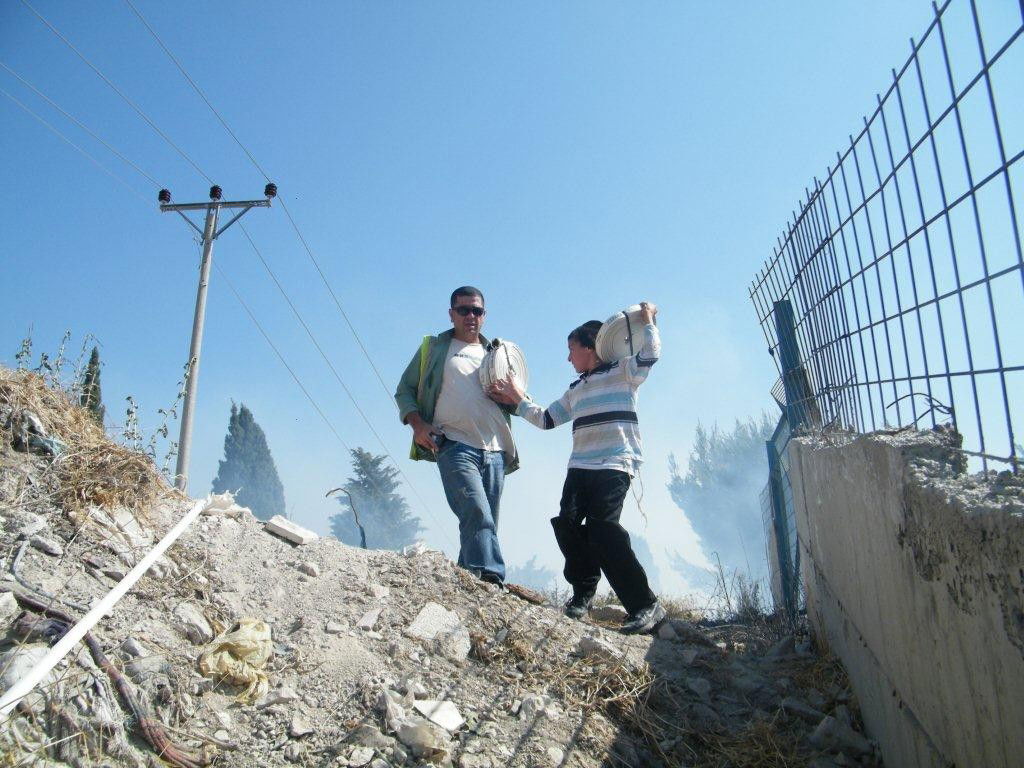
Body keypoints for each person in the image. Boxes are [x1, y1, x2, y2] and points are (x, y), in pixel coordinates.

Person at [489, 302, 665, 633]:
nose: (568, 358)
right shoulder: (576, 389)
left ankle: (645, 605)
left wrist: (648, 320)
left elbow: (650, 353)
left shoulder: (624, 371)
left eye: (571, 350)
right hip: (580, 466)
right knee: (567, 524)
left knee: (603, 530)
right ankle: (583, 596)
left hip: (615, 463)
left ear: (590, 348)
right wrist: (517, 398)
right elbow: (546, 419)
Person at [395, 286, 518, 585]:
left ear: (484, 315)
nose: (470, 316)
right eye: (463, 310)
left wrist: (515, 397)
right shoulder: (435, 349)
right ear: (451, 314)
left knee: (483, 521)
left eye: (477, 310)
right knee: (476, 511)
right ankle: (491, 578)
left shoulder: (497, 354)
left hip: (495, 450)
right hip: (453, 444)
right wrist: (418, 425)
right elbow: (404, 390)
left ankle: (467, 581)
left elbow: (516, 400)